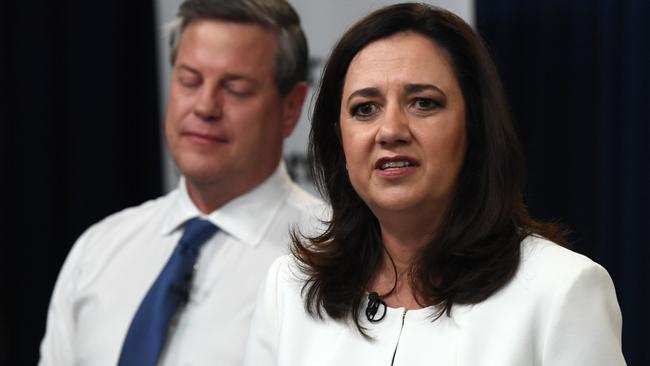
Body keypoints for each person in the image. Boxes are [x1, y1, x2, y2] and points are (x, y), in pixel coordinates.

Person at [243, 3, 626, 365]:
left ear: (475, 126)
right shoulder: (290, 290)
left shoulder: (561, 291)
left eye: (423, 103)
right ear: (338, 139)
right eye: (365, 108)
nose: (390, 131)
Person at [38, 0, 326, 365]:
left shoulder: (334, 260)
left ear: (291, 107)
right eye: (189, 81)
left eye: (235, 89)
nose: (205, 106)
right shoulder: (98, 251)